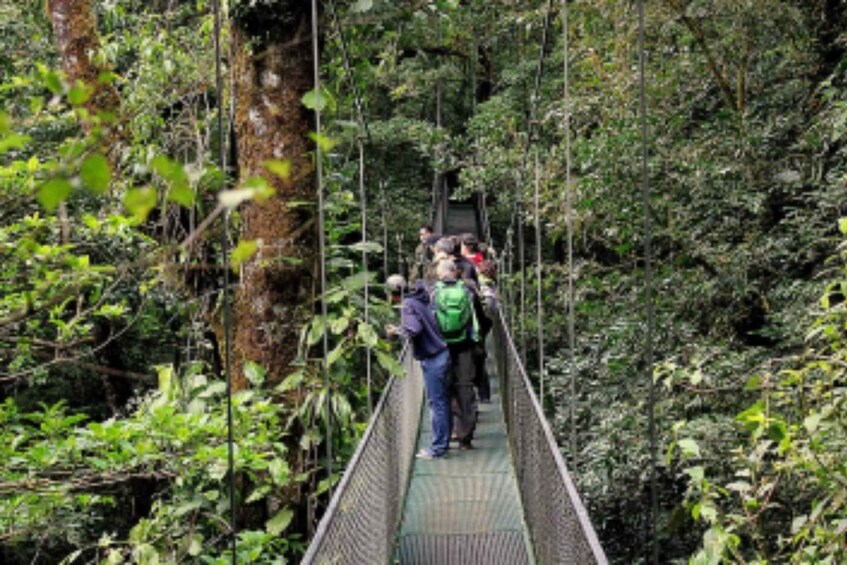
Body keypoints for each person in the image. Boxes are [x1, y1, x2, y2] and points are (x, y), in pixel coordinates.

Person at [386, 274, 451, 459]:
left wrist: (396, 331)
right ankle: (442, 444)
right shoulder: (417, 298)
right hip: (441, 353)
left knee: (436, 404)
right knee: (441, 402)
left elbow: (414, 329)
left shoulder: (407, 305)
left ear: (394, 293)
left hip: (433, 359)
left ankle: (438, 449)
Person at [432, 260, 477, 450]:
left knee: (443, 392)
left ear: (440, 273)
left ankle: (448, 433)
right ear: (455, 272)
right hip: (465, 347)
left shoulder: (433, 292)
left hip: (441, 346)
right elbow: (479, 321)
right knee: (465, 390)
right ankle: (466, 438)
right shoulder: (468, 291)